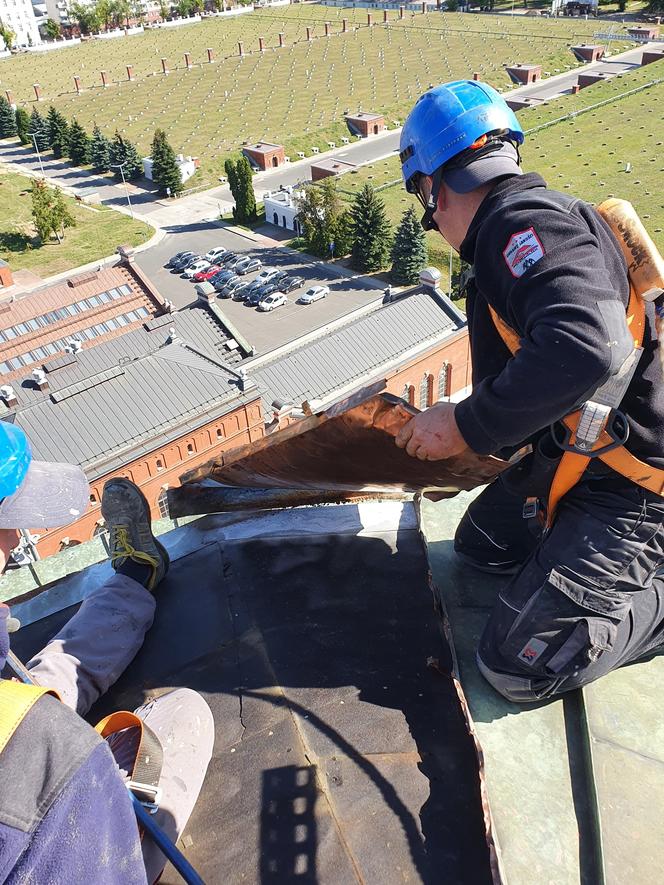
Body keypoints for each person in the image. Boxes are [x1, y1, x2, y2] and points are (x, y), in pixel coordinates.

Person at [395, 79, 664, 703]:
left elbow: (587, 346)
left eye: (423, 198)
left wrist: (465, 425)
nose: (432, 219)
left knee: (519, 666)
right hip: (581, 451)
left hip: (638, 486)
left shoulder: (522, 227)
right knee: (481, 549)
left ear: (435, 186)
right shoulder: (523, 230)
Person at [0, 421, 213, 883]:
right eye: (3, 524)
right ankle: (136, 576)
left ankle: (136, 575)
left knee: (42, 682)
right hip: (49, 816)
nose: (15, 540)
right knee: (184, 714)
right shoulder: (52, 754)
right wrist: (95, 788)